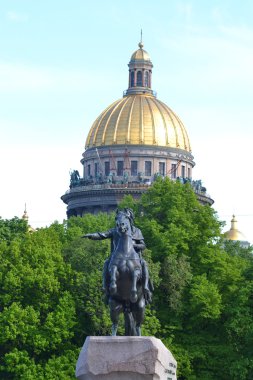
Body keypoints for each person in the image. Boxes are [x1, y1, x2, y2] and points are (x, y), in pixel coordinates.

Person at [82, 208, 151, 303]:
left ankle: (146, 287)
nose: (121, 222)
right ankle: (105, 288)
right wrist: (91, 236)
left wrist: (133, 245)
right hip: (117, 257)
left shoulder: (137, 231)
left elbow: (143, 245)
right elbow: (102, 235)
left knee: (144, 263)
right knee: (106, 263)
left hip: (134, 256)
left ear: (129, 220)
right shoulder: (115, 231)